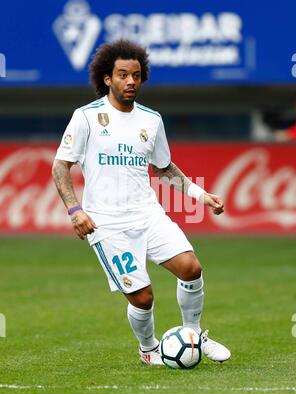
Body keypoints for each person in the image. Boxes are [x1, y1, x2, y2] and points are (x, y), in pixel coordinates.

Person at [52, 39, 231, 365]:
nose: (130, 81)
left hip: (148, 214)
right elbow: (60, 165)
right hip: (106, 224)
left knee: (191, 269)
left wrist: (200, 195)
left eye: (136, 75)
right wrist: (75, 210)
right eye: (122, 74)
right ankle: (148, 350)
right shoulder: (87, 118)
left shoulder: (152, 120)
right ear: (107, 78)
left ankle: (193, 334)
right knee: (143, 297)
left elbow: (164, 168)